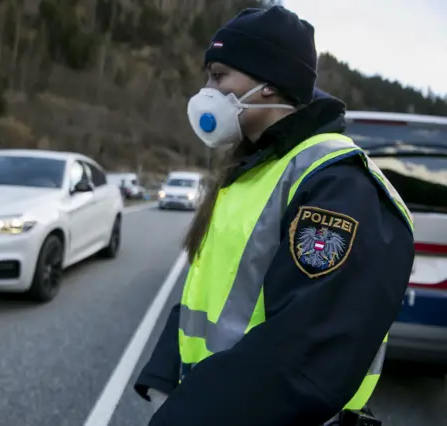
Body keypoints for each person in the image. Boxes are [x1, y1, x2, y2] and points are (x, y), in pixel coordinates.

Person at [134, 5, 415, 426]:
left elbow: (305, 349)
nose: (205, 91)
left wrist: (185, 416)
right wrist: (164, 374)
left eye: (218, 75)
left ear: (268, 84)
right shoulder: (253, 168)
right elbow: (213, 289)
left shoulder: (336, 185)